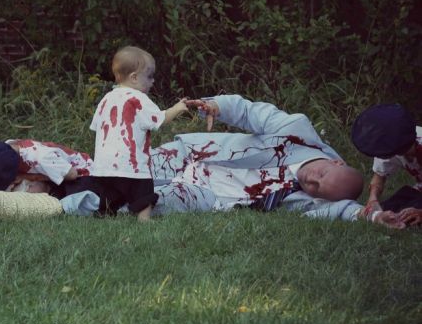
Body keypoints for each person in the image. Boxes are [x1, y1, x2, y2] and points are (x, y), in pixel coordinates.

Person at [61, 94, 404, 228]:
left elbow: (345, 211)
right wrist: (216, 106)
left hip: (209, 195)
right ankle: (57, 173)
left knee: (142, 204)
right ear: (335, 162)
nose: (311, 183)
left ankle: (64, 204)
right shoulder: (298, 131)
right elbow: (248, 111)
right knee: (125, 170)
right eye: (320, 175)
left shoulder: (313, 198)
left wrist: (374, 216)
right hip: (194, 155)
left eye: (317, 189)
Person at [87, 46, 189, 221]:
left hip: (103, 167)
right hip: (130, 164)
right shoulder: (138, 98)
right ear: (134, 77)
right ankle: (144, 219)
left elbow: (96, 126)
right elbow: (160, 119)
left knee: (109, 194)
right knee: (143, 191)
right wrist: (177, 108)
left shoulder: (106, 99)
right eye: (149, 76)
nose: (153, 81)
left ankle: (105, 214)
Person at [351, 103, 422, 226]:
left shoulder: (399, 142)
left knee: (412, 219)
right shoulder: (391, 144)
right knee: (391, 210)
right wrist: (373, 199)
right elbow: (379, 176)